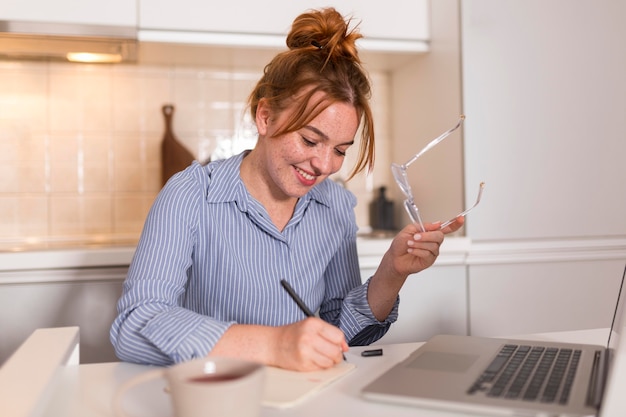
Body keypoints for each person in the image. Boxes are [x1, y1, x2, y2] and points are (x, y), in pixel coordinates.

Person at [110, 7, 464, 372]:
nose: (325, 165)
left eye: (340, 150)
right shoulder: (191, 195)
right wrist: (273, 345)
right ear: (265, 117)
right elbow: (135, 325)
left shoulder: (336, 206)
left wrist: (392, 272)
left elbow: (338, 334)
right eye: (311, 140)